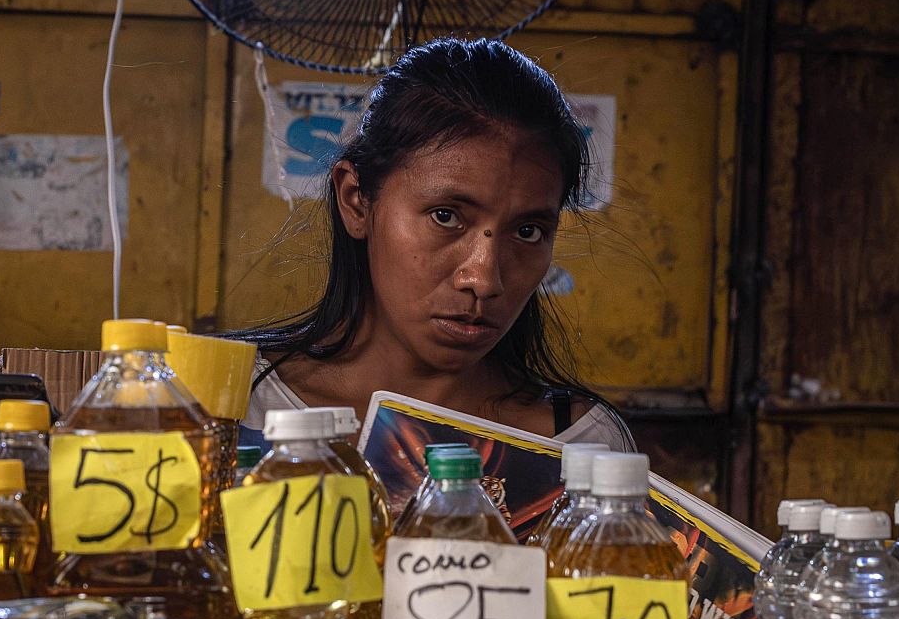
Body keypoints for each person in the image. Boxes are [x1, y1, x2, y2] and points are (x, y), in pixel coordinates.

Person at [234, 37, 632, 452]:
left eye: (528, 231)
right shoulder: (234, 404)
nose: (483, 279)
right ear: (356, 200)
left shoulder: (581, 445)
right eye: (446, 216)